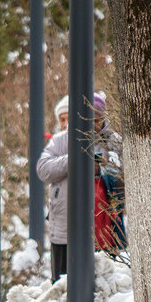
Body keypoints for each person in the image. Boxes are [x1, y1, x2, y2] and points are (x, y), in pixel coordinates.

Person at [36, 91, 124, 281]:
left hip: (103, 228)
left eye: (97, 120)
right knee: (62, 284)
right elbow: (42, 169)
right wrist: (73, 159)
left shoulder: (113, 141)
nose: (92, 125)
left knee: (102, 284)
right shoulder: (61, 140)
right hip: (64, 227)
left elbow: (124, 175)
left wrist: (101, 166)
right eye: (87, 119)